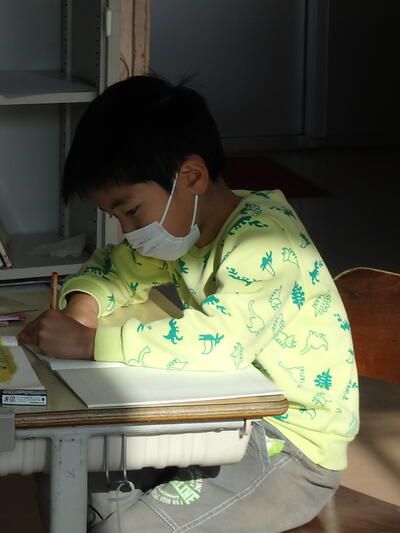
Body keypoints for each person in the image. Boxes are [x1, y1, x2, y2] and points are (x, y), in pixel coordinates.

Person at [18, 75, 359, 532]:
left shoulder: (264, 242)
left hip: (288, 445)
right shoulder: (187, 231)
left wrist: (89, 343)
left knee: (116, 524)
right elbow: (116, 268)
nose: (126, 231)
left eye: (130, 211)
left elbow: (219, 343)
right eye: (114, 216)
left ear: (191, 177)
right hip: (220, 414)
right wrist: (83, 307)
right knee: (68, 471)